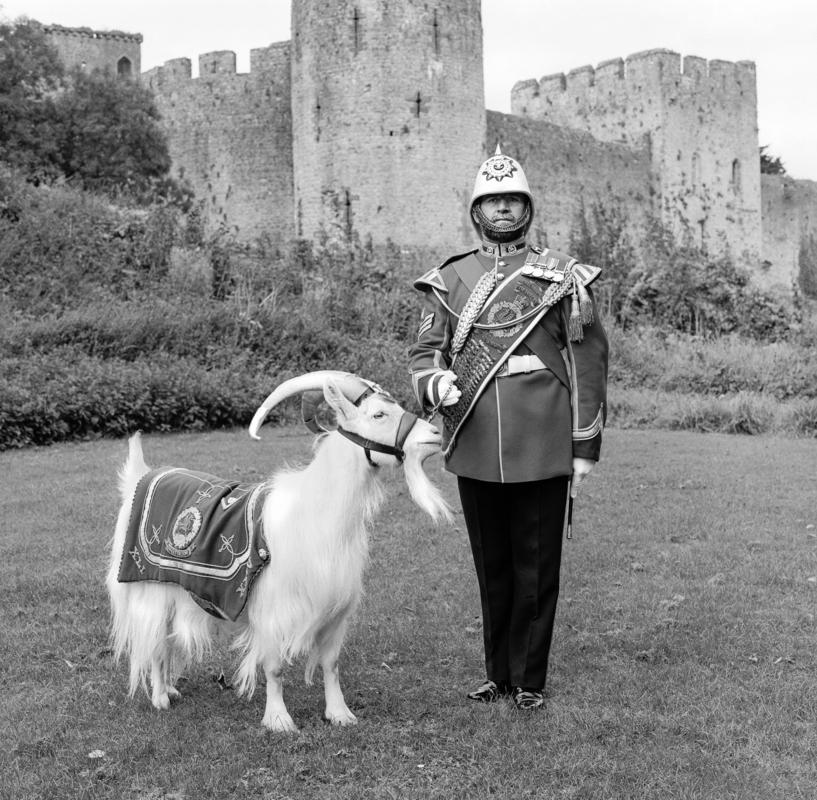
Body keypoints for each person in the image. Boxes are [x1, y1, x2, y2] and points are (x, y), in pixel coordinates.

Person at [408, 146, 608, 710]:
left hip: (544, 444)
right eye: (491, 201)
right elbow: (424, 354)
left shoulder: (562, 277)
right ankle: (498, 675)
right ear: (476, 210)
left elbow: (587, 362)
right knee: (491, 566)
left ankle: (530, 681)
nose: (501, 209)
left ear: (527, 208)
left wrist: (584, 444)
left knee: (536, 567)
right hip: (474, 441)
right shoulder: (449, 279)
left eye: (511, 201)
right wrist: (435, 384)